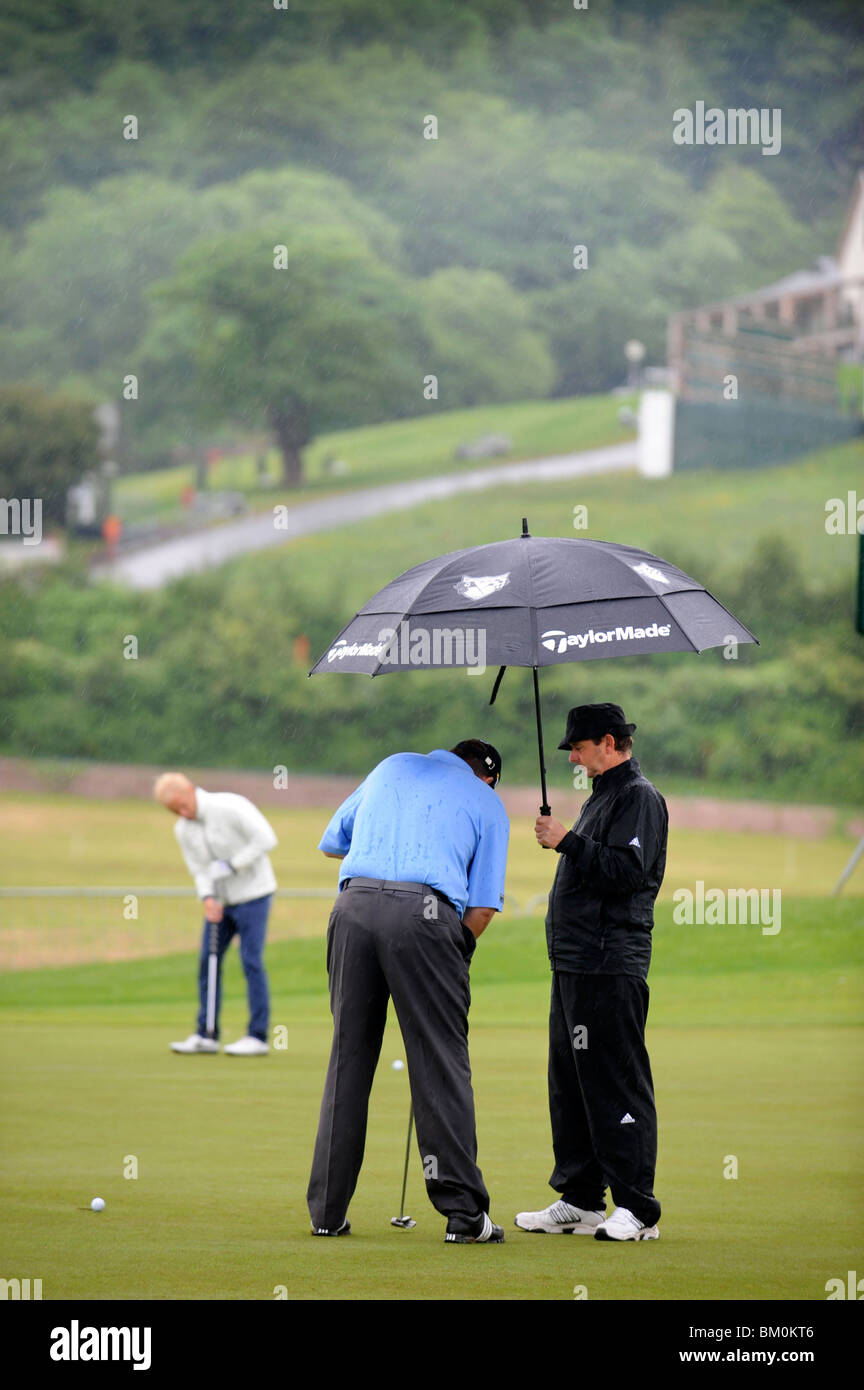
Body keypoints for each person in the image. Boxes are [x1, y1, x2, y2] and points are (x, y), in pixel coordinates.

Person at [307, 740, 510, 1244]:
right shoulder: (488, 803)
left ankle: (327, 1214)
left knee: (348, 1058)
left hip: (351, 909)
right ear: (487, 778)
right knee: (440, 1061)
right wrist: (449, 953)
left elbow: (334, 842)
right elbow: (481, 910)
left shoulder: (389, 765)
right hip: (424, 917)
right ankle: (464, 1216)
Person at [515, 703, 668, 1242]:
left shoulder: (639, 798)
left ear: (609, 741)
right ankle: (581, 1200)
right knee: (571, 1083)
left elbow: (628, 872)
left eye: (577, 748)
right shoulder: (601, 797)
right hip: (576, 963)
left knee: (615, 1083)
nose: (574, 758)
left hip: (611, 963)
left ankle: (637, 1208)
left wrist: (566, 841)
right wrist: (571, 840)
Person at [153, 772, 277, 1057]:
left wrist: (233, 865)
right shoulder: (183, 829)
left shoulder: (230, 806)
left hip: (254, 895)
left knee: (251, 961)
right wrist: (207, 897)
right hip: (220, 901)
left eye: (182, 806)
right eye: (174, 811)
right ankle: (206, 1033)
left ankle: (257, 1036)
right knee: (207, 962)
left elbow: (266, 839)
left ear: (189, 789)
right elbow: (199, 868)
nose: (182, 813)